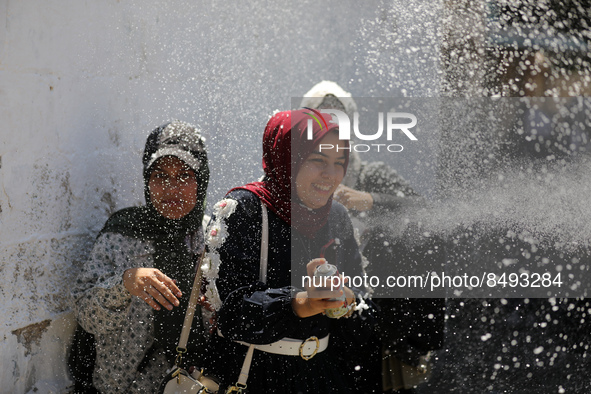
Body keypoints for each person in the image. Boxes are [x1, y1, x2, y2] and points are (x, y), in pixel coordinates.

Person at [201, 109, 377, 393]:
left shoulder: (337, 217)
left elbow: (363, 306)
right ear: (286, 159)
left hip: (320, 378)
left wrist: (344, 303)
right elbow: (229, 313)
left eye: (339, 162)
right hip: (252, 377)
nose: (330, 175)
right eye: (317, 160)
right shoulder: (244, 209)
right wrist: (299, 303)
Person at [301, 82, 445, 393]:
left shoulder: (371, 176)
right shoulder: (298, 179)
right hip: (312, 319)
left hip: (373, 324)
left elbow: (429, 214)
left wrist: (371, 201)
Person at [70, 120, 210, 393]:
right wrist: (124, 285)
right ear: (147, 181)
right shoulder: (122, 233)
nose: (171, 188)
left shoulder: (213, 240)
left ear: (201, 179)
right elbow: (86, 316)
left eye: (184, 175)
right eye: (160, 175)